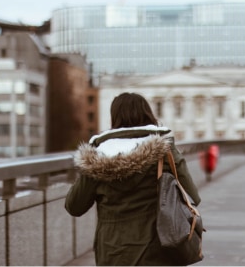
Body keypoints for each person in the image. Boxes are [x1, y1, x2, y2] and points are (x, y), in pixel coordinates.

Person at [65, 92, 201, 266]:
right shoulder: (164, 151)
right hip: (159, 251)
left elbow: (74, 206)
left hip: (112, 252)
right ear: (148, 115)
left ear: (114, 119)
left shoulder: (96, 157)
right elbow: (193, 197)